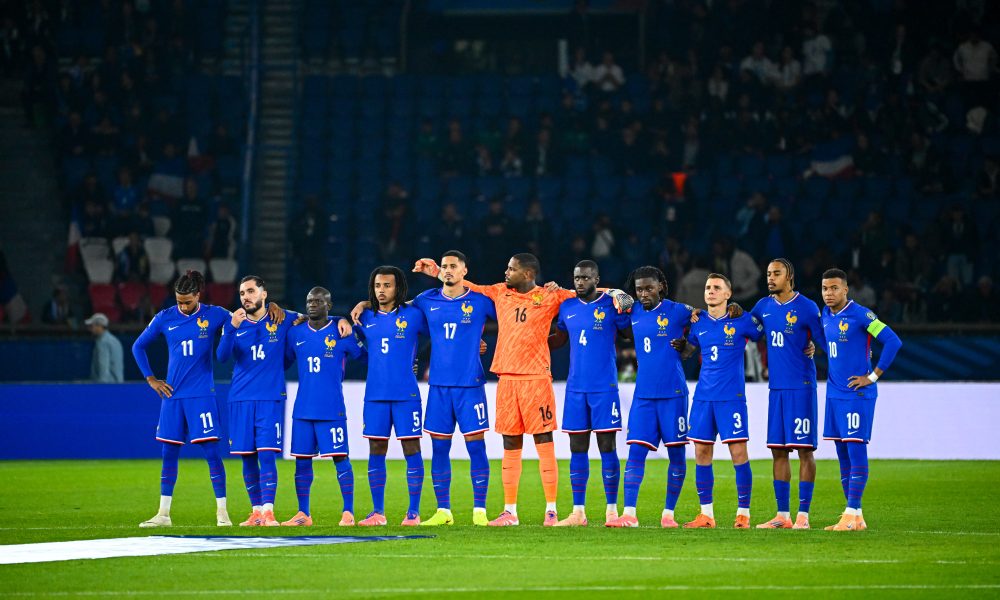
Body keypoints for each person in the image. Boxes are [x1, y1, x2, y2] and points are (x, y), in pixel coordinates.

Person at [411, 253, 632, 526]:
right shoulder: (499, 292)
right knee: (510, 443)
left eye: (511, 269)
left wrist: (614, 291)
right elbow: (466, 285)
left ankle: (551, 510)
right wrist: (436, 273)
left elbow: (583, 290)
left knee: (543, 442)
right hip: (507, 379)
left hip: (537, 378)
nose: (506, 272)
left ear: (527, 274)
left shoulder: (551, 296)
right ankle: (510, 512)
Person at [130, 270, 283, 527]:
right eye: (179, 301)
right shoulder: (165, 318)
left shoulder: (215, 314)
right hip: (173, 396)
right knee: (168, 453)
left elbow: (245, 315)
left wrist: (273, 305)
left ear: (197, 296)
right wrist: (151, 378)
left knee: (212, 453)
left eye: (187, 301)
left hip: (202, 395)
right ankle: (163, 514)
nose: (183, 306)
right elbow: (138, 346)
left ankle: (222, 513)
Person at [671, 273, 763, 529]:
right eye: (708, 287)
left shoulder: (741, 320)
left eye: (716, 288)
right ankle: (706, 515)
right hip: (703, 398)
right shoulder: (698, 322)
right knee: (701, 452)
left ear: (728, 294)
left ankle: (743, 513)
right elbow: (690, 351)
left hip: (730, 398)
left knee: (738, 453)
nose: (710, 291)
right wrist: (681, 346)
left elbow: (763, 332)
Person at [412, 251, 496, 526]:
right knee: (439, 448)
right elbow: (394, 312)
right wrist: (365, 302)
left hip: (470, 386)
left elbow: (512, 318)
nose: (448, 270)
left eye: (453, 267)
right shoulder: (426, 300)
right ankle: (443, 511)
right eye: (444, 266)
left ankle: (480, 511)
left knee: (476, 447)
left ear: (464, 271)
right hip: (438, 387)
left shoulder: (480, 301)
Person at [607, 267, 694, 528]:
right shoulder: (632, 310)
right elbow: (608, 307)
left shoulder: (679, 311)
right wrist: (613, 292)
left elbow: (708, 323)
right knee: (635, 453)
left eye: (649, 288)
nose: (643, 293)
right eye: (639, 289)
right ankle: (629, 514)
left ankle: (668, 515)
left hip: (673, 394)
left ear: (661, 287)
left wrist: (690, 347)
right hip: (643, 396)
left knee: (677, 455)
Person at [547, 260, 629, 527]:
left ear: (596, 279)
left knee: (607, 447)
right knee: (577, 448)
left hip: (604, 388)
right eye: (576, 278)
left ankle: (612, 511)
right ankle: (578, 512)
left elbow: (628, 332)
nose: (579, 282)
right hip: (575, 389)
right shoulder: (567, 307)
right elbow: (558, 339)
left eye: (585, 278)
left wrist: (622, 298)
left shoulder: (610, 304)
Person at [820, 268, 902, 531]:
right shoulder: (825, 315)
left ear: (846, 289)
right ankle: (855, 517)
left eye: (834, 288)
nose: (828, 294)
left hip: (857, 394)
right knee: (843, 454)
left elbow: (893, 341)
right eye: (824, 289)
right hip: (834, 393)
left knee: (856, 451)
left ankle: (851, 511)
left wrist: (873, 376)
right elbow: (831, 346)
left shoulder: (861, 314)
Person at [749, 259, 825, 530]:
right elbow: (748, 331)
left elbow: (824, 341)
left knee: (804, 451)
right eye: (768, 273)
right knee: (778, 452)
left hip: (801, 388)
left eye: (776, 273)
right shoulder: (763, 307)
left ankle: (803, 516)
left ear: (789, 276)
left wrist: (817, 346)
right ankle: (783, 515)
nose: (770, 278)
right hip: (776, 390)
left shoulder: (807, 307)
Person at [215, 276, 295, 527]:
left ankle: (269, 512)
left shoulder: (283, 318)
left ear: (264, 294)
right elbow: (222, 357)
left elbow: (316, 315)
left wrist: (344, 319)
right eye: (241, 293)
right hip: (239, 399)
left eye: (251, 291)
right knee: (247, 456)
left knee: (267, 454)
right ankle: (256, 511)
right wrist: (230, 329)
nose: (246, 297)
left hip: (269, 399)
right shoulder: (234, 324)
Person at [282, 287, 364, 527]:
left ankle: (348, 512)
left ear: (329, 305)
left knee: (340, 457)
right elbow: (284, 360)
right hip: (303, 408)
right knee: (302, 461)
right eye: (309, 300)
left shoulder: (342, 332)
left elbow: (365, 357)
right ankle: (303, 514)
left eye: (318, 301)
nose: (312, 304)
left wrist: (344, 321)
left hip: (331, 407)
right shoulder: (295, 333)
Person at [353, 266, 428, 526]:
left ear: (398, 288)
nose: (381, 290)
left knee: (411, 447)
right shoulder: (364, 317)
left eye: (387, 285)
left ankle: (414, 512)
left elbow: (441, 336)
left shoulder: (415, 314)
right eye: (377, 286)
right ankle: (378, 512)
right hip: (375, 394)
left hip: (406, 395)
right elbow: (356, 347)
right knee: (376, 448)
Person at [87, 312, 123, 383]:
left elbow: (103, 367)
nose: (90, 329)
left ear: (100, 326)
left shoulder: (102, 342)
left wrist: (102, 387)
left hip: (107, 386)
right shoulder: (115, 340)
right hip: (118, 384)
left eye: (92, 326)